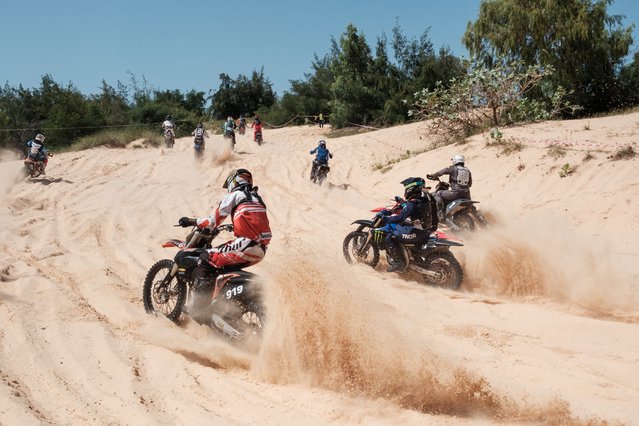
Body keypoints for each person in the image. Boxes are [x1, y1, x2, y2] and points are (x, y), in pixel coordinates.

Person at [178, 169, 272, 322]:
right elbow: (252, 220)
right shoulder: (258, 199)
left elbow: (213, 221)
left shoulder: (234, 195)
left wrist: (192, 221)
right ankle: (223, 305)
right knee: (222, 266)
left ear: (234, 182)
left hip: (245, 245)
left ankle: (199, 308)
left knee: (205, 258)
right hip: (260, 250)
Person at [378, 177, 439, 272]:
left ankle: (399, 263)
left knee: (391, 236)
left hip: (417, 232)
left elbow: (400, 217)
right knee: (402, 226)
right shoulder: (428, 198)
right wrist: (402, 202)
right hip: (428, 230)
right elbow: (413, 208)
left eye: (406, 188)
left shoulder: (412, 203)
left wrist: (385, 218)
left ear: (410, 189)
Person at [427, 154, 472, 221]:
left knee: (438, 194)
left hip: (455, 193)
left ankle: (440, 215)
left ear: (455, 161)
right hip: (467, 194)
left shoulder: (453, 168)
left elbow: (443, 171)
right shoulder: (467, 171)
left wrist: (433, 175)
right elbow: (469, 184)